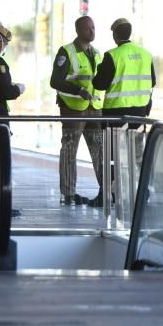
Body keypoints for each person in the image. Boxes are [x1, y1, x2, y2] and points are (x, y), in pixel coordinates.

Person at [92, 18, 156, 205]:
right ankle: (143, 192)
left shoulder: (112, 55)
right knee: (137, 155)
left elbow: (100, 84)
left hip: (115, 114)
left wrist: (99, 70)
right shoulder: (145, 54)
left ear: (115, 35)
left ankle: (108, 194)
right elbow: (152, 81)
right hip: (139, 113)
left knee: (112, 156)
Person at [49, 16, 105, 206]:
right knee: (69, 151)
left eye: (93, 27)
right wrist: (78, 91)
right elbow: (55, 81)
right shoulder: (66, 52)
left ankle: (106, 192)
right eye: (88, 28)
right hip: (73, 110)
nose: (92, 31)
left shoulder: (96, 53)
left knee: (100, 151)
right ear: (78, 30)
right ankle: (68, 194)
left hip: (94, 109)